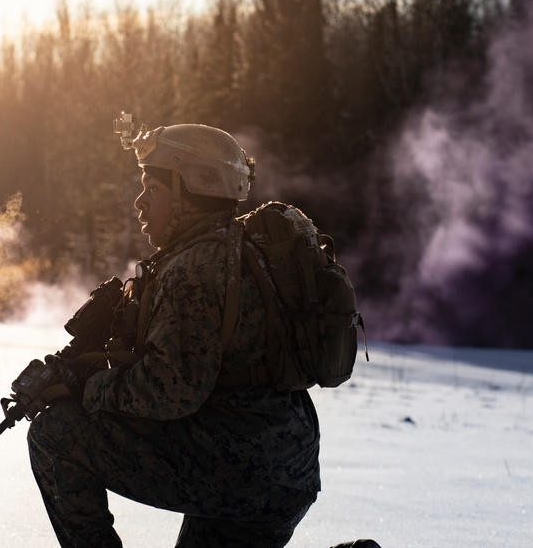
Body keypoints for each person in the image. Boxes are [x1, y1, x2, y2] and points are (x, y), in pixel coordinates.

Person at [27, 123, 321, 548]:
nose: (140, 202)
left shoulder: (194, 269)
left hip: (235, 466)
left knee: (55, 434)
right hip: (284, 468)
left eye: (154, 189)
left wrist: (87, 387)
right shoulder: (243, 251)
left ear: (189, 193)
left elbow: (170, 390)